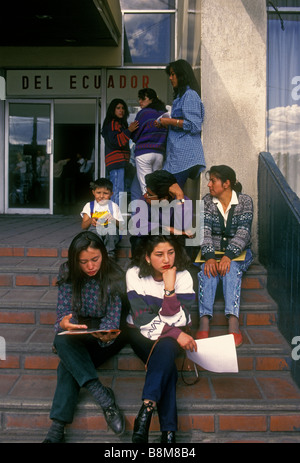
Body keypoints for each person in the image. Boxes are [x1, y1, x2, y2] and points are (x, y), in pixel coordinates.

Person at [43, 231, 129, 443]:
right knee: (61, 339)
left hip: (108, 332)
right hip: (81, 328)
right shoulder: (67, 272)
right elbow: (63, 313)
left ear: (103, 255)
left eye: (95, 259)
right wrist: (63, 323)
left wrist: (106, 336)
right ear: (75, 261)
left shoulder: (114, 275)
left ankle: (57, 428)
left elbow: (112, 317)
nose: (90, 266)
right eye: (83, 262)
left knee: (67, 364)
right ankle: (103, 396)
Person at [126, 235, 197, 443]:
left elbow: (179, 318)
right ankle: (169, 435)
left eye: (171, 252)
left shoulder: (183, 276)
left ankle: (146, 412)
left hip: (171, 340)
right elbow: (142, 319)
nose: (167, 259)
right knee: (167, 365)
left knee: (165, 350)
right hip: (140, 335)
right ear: (147, 257)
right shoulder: (134, 274)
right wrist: (176, 332)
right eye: (159, 254)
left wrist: (169, 289)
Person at [197, 165, 253, 347]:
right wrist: (210, 256)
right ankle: (204, 320)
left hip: (238, 252)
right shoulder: (206, 201)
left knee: (231, 268)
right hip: (213, 251)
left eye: (213, 180)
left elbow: (243, 233)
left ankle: (233, 321)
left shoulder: (244, 201)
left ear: (227, 184)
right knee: (208, 269)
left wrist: (228, 255)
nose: (209, 185)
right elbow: (203, 231)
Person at [156, 59, 206, 189]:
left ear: (182, 75)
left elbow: (194, 125)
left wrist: (170, 121)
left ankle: (180, 209)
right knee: (169, 193)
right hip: (176, 154)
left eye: (173, 74)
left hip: (185, 156)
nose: (170, 78)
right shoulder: (180, 97)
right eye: (170, 75)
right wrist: (166, 123)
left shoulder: (190, 95)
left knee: (170, 193)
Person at [129, 170, 194, 260]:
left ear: (164, 198)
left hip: (171, 241)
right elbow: (138, 227)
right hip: (151, 240)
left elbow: (183, 228)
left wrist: (179, 196)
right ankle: (140, 270)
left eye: (150, 194)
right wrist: (169, 229)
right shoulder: (144, 200)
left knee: (186, 240)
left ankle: (181, 270)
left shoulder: (184, 201)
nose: (145, 196)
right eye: (146, 191)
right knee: (137, 240)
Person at [130, 88, 168, 194]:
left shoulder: (143, 113)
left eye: (142, 98)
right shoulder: (163, 114)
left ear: (151, 99)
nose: (140, 101)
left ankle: (149, 210)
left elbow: (135, 135)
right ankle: (157, 210)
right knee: (157, 187)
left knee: (146, 189)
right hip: (159, 154)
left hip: (143, 153)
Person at [101, 99, 138, 205]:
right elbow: (116, 141)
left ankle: (117, 218)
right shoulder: (113, 124)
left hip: (121, 162)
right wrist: (129, 130)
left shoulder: (119, 124)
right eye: (118, 108)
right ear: (113, 110)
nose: (121, 110)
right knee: (117, 191)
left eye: (122, 108)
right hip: (116, 162)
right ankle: (114, 219)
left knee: (120, 191)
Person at [80, 178, 124, 259]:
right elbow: (83, 226)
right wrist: (91, 220)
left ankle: (109, 255)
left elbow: (122, 227)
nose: (101, 196)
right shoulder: (89, 206)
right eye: (98, 193)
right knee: (94, 230)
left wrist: (113, 220)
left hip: (111, 236)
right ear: (93, 192)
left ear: (111, 194)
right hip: (95, 233)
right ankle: (95, 254)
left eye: (105, 193)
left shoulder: (114, 206)